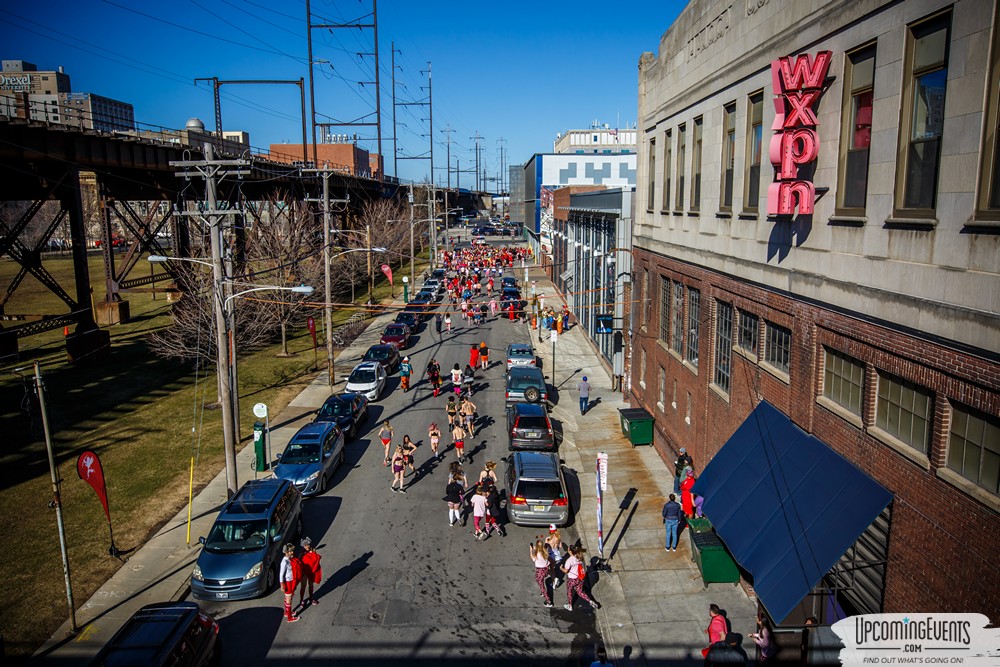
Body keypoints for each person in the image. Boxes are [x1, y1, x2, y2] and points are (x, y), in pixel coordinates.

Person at [561, 545, 599, 610]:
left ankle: (570, 605)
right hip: (580, 578)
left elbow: (566, 571)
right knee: (580, 592)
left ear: (569, 551)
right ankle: (590, 601)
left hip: (572, 579)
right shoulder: (579, 557)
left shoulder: (569, 560)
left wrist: (561, 568)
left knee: (569, 591)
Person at [298, 537, 322, 608]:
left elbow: (315, 560)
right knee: (303, 586)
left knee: (311, 585)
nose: (307, 546)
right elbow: (299, 563)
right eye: (305, 545)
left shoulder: (313, 550)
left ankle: (311, 598)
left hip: (311, 571)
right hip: (304, 572)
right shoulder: (301, 553)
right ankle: (301, 600)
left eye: (307, 545)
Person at [279, 543, 301, 622]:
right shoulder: (284, 562)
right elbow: (281, 574)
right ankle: (289, 617)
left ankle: (287, 613)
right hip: (288, 582)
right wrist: (282, 584)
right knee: (289, 599)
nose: (292, 552)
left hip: (290, 580)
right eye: (291, 551)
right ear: (286, 552)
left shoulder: (289, 559)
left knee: (287, 598)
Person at [530, 540, 554, 608]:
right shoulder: (545, 551)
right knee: (540, 581)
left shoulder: (537, 553)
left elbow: (532, 558)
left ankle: (548, 601)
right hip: (545, 570)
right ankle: (543, 592)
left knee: (541, 585)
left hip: (539, 571)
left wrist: (531, 550)